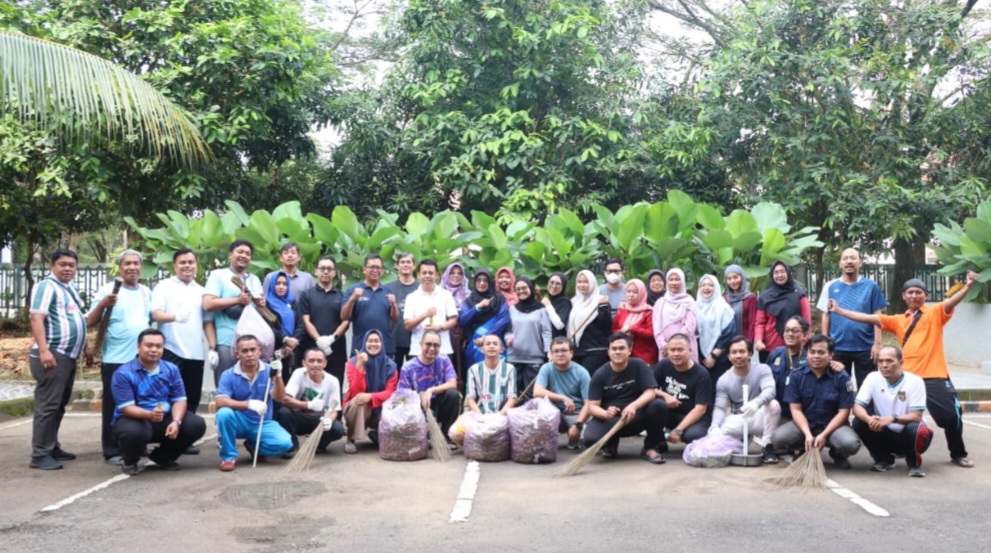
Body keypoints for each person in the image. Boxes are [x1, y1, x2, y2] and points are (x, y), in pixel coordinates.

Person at [828, 271, 978, 468]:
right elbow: (868, 318)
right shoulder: (899, 320)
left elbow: (951, 302)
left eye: (918, 292)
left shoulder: (935, 313)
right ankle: (894, 450)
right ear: (903, 296)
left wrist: (967, 286)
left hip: (934, 375)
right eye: (910, 292)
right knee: (897, 417)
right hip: (907, 379)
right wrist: (839, 311)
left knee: (950, 417)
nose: (914, 296)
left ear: (926, 295)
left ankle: (958, 453)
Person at [110, 329, 207, 475]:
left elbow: (180, 400)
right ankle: (130, 460)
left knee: (196, 424)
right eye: (149, 345)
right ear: (138, 346)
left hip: (163, 417)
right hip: (133, 418)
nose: (154, 350)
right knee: (133, 432)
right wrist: (150, 415)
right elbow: (127, 408)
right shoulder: (123, 373)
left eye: (158, 346)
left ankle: (163, 456)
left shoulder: (172, 369)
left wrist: (176, 422)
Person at [88, 249, 152, 466]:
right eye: (127, 264)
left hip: (141, 361)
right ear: (120, 267)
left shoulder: (145, 292)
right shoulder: (108, 290)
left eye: (136, 263)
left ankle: (136, 445)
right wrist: (102, 304)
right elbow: (90, 321)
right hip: (115, 360)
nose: (132, 267)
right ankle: (112, 449)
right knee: (114, 406)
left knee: (141, 403)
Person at [28, 249, 89, 470]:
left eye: (72, 265)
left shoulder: (69, 288)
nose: (68, 269)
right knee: (48, 406)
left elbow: (78, 319)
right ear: (52, 265)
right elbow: (36, 318)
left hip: (68, 355)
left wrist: (86, 347)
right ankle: (40, 455)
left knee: (59, 405)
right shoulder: (46, 286)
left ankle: (51, 446)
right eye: (63, 264)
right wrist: (44, 351)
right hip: (53, 354)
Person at [151, 248, 216, 455]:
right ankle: (165, 435)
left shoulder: (202, 291)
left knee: (192, 396)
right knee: (169, 395)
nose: (187, 266)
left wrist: (212, 347)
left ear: (196, 265)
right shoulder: (164, 286)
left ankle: (184, 439)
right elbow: (156, 314)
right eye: (182, 262)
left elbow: (207, 322)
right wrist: (175, 317)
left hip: (195, 353)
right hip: (171, 350)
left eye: (191, 262)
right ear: (174, 265)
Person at [772, 334, 860, 469]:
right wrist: (807, 434)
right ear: (807, 354)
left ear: (831, 354)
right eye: (812, 352)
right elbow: (795, 410)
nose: (816, 356)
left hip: (833, 427)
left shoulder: (842, 377)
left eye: (821, 352)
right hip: (805, 426)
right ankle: (803, 448)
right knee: (778, 438)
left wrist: (824, 434)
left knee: (850, 444)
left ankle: (837, 453)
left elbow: (844, 412)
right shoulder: (796, 376)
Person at [582, 332, 668, 464]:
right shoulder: (600, 374)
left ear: (629, 350)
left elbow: (650, 393)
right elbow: (592, 406)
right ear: (608, 352)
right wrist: (605, 414)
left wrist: (633, 406)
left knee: (659, 405)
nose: (617, 352)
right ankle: (611, 443)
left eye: (621, 348)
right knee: (590, 439)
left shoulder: (639, 365)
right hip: (612, 420)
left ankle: (650, 447)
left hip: (636, 417)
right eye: (614, 349)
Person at [214, 335, 293, 471]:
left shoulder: (269, 370)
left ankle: (253, 445)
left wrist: (278, 375)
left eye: (253, 349)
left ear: (259, 351)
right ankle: (229, 457)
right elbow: (220, 400)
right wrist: (248, 404)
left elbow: (279, 397)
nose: (249, 354)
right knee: (224, 414)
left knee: (285, 444)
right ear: (237, 354)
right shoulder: (229, 374)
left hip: (262, 422)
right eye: (244, 351)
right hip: (239, 421)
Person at [852, 345, 933, 477]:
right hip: (884, 432)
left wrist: (892, 419)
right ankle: (883, 459)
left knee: (914, 428)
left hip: (910, 436)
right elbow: (857, 407)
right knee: (858, 422)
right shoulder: (872, 378)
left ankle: (914, 463)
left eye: (889, 361)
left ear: (900, 363)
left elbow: (916, 416)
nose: (884, 365)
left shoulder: (915, 381)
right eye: (881, 361)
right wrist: (869, 419)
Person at [817, 248, 887, 388]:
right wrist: (825, 343)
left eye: (853, 258)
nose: (849, 261)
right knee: (837, 387)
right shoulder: (830, 286)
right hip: (838, 346)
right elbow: (826, 314)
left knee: (867, 388)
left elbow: (878, 316)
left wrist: (877, 343)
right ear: (840, 263)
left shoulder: (871, 286)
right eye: (845, 258)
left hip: (866, 347)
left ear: (860, 262)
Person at [709, 337, 780, 463]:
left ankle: (767, 445)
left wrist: (756, 403)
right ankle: (741, 439)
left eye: (742, 351)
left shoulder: (763, 369)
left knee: (774, 405)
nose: (738, 356)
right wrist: (714, 426)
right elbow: (720, 407)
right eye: (734, 352)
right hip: (740, 419)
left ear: (750, 354)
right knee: (716, 440)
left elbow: (770, 390)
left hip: (760, 417)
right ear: (729, 356)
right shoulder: (723, 380)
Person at [204, 240, 263, 385]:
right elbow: (208, 303)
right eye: (240, 252)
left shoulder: (254, 280)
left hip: (251, 341)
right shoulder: (218, 275)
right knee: (226, 382)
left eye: (247, 254)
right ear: (230, 255)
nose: (244, 256)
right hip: (226, 340)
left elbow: (259, 310)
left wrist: (261, 304)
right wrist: (238, 300)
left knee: (251, 382)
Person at [274, 348, 344, 455]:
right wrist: (308, 404)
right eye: (311, 361)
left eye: (319, 361)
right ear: (304, 363)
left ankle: (318, 444)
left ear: (325, 363)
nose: (315, 364)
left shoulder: (332, 381)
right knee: (283, 413)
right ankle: (291, 445)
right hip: (299, 417)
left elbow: (335, 409)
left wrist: (329, 420)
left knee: (337, 428)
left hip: (319, 418)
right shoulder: (299, 373)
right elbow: (285, 399)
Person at [398, 330, 460, 449]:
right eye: (428, 344)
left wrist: (430, 390)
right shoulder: (408, 367)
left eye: (436, 345)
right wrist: (418, 397)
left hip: (440, 402)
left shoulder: (444, 359)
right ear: (421, 344)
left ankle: (445, 434)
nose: (432, 348)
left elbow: (453, 384)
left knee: (453, 395)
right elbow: (403, 397)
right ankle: (424, 435)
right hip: (420, 407)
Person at [343, 330, 398, 453]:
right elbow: (356, 391)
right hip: (358, 408)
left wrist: (371, 397)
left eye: (376, 341)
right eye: (370, 341)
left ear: (382, 344)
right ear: (364, 343)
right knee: (358, 401)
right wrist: (360, 365)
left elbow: (390, 392)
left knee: (394, 409)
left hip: (380, 409)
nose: (373, 344)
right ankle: (351, 438)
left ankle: (376, 434)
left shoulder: (391, 366)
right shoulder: (353, 362)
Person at [653, 333, 713, 448]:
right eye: (672, 350)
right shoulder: (663, 365)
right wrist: (665, 396)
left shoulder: (701, 374)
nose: (676, 354)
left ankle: (679, 434)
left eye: (680, 350)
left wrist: (678, 430)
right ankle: (658, 440)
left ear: (690, 350)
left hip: (694, 417)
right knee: (653, 406)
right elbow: (649, 389)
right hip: (671, 413)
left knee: (693, 436)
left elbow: (700, 409)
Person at [298, 256, 349, 384]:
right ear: (316, 271)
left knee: (336, 385)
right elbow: (306, 320)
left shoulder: (342, 296)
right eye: (322, 269)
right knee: (311, 387)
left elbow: (346, 321)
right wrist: (319, 340)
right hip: (312, 350)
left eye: (329, 269)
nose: (326, 272)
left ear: (334, 272)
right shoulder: (307, 294)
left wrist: (332, 338)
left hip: (336, 350)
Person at [534, 337, 591, 449]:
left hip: (576, 413)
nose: (560, 354)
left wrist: (578, 425)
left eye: (564, 350)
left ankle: (576, 435)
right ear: (551, 354)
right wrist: (563, 398)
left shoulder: (581, 372)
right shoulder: (546, 368)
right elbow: (537, 392)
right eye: (556, 351)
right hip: (555, 413)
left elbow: (589, 403)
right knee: (538, 405)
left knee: (589, 439)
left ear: (571, 353)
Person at [342, 254, 399, 358]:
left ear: (382, 271)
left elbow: (395, 318)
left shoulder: (387, 291)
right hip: (360, 347)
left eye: (378, 267)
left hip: (384, 347)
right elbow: (344, 316)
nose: (375, 270)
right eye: (372, 267)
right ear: (364, 269)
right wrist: (352, 299)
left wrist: (394, 305)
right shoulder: (353, 290)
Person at [755, 261, 811, 361]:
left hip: (793, 347)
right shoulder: (765, 297)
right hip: (768, 348)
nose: (779, 275)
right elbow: (760, 322)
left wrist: (804, 343)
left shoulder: (799, 295)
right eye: (776, 272)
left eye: (782, 271)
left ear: (788, 273)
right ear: (772, 275)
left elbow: (807, 322)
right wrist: (759, 340)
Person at [506, 277, 552, 396]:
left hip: (534, 357)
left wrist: (549, 351)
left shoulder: (541, 309)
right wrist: (508, 338)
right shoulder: (512, 310)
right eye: (518, 289)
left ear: (531, 288)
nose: (521, 291)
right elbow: (507, 330)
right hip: (514, 357)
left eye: (524, 288)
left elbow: (546, 332)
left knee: (532, 394)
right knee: (512, 394)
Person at [404, 259, 459, 358]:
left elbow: (453, 320)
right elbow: (407, 325)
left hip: (442, 349)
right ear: (418, 275)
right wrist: (425, 315)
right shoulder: (411, 297)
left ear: (436, 275)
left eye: (430, 273)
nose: (427, 276)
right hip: (418, 350)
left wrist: (439, 327)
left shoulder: (446, 295)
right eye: (424, 273)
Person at [460, 270, 511, 367]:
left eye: (485, 280)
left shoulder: (499, 299)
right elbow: (463, 321)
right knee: (476, 372)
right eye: (479, 280)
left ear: (490, 282)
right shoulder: (469, 301)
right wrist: (477, 307)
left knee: (497, 373)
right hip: (474, 346)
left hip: (495, 345)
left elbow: (504, 319)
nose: (482, 283)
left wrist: (485, 338)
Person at [567, 270, 612, 376]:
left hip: (595, 351)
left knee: (590, 382)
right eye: (579, 282)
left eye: (586, 282)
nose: (582, 285)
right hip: (577, 351)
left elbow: (606, 325)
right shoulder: (574, 302)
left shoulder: (600, 301)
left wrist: (603, 306)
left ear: (592, 283)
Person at [766, 315, 810, 416]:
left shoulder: (810, 358)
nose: (790, 334)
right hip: (776, 411)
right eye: (787, 330)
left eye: (795, 331)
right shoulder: (775, 354)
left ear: (805, 335)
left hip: (801, 413)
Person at [652, 268, 698, 362]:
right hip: (665, 350)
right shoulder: (660, 303)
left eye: (677, 279)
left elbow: (690, 326)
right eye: (671, 279)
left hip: (685, 347)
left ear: (682, 281)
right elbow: (656, 328)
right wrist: (663, 345)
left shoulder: (689, 302)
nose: (674, 282)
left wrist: (674, 345)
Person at [464, 335, 518, 415]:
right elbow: (470, 398)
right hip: (479, 415)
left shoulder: (510, 369)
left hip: (502, 415)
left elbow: (512, 398)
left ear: (501, 350)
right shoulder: (473, 370)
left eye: (495, 344)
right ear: (482, 349)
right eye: (488, 344)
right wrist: (481, 417)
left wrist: (499, 416)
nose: (491, 346)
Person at [695, 274, 735, 381]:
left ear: (716, 288)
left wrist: (713, 356)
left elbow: (728, 334)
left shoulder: (724, 308)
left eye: (710, 285)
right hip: (699, 358)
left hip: (720, 359)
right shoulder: (695, 306)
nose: (706, 288)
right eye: (703, 285)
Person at [265, 271, 302, 381]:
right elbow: (266, 327)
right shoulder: (265, 304)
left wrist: (292, 344)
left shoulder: (293, 302)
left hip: (293, 350)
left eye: (285, 284)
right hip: (274, 349)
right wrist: (285, 339)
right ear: (272, 284)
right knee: (274, 383)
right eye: (278, 283)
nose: (281, 287)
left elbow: (301, 325)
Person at [612, 278, 658, 364]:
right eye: (628, 291)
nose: (631, 295)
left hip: (644, 357)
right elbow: (613, 330)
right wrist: (622, 332)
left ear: (641, 293)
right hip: (624, 357)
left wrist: (632, 329)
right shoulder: (622, 309)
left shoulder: (648, 312)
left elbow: (651, 334)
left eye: (635, 292)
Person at [387, 252, 419, 366]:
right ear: (397, 265)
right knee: (393, 374)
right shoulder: (388, 288)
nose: (405, 265)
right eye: (402, 262)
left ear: (414, 266)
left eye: (408, 262)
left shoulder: (420, 288)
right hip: (394, 340)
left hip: (416, 341)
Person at [441, 261, 468, 373]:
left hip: (463, 336)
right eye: (452, 273)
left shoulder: (468, 294)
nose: (456, 275)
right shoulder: (439, 293)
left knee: (461, 367)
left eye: (459, 273)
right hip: (443, 334)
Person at [723, 264, 756, 342]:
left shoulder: (750, 298)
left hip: (744, 342)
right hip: (726, 343)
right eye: (729, 278)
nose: (732, 281)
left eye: (735, 277)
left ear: (742, 277)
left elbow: (752, 324)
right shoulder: (724, 299)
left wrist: (748, 344)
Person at [541, 272, 572, 339]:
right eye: (551, 282)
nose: (554, 286)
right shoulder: (548, 300)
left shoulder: (565, 302)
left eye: (558, 284)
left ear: (563, 286)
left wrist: (548, 306)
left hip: (558, 342)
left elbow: (559, 325)